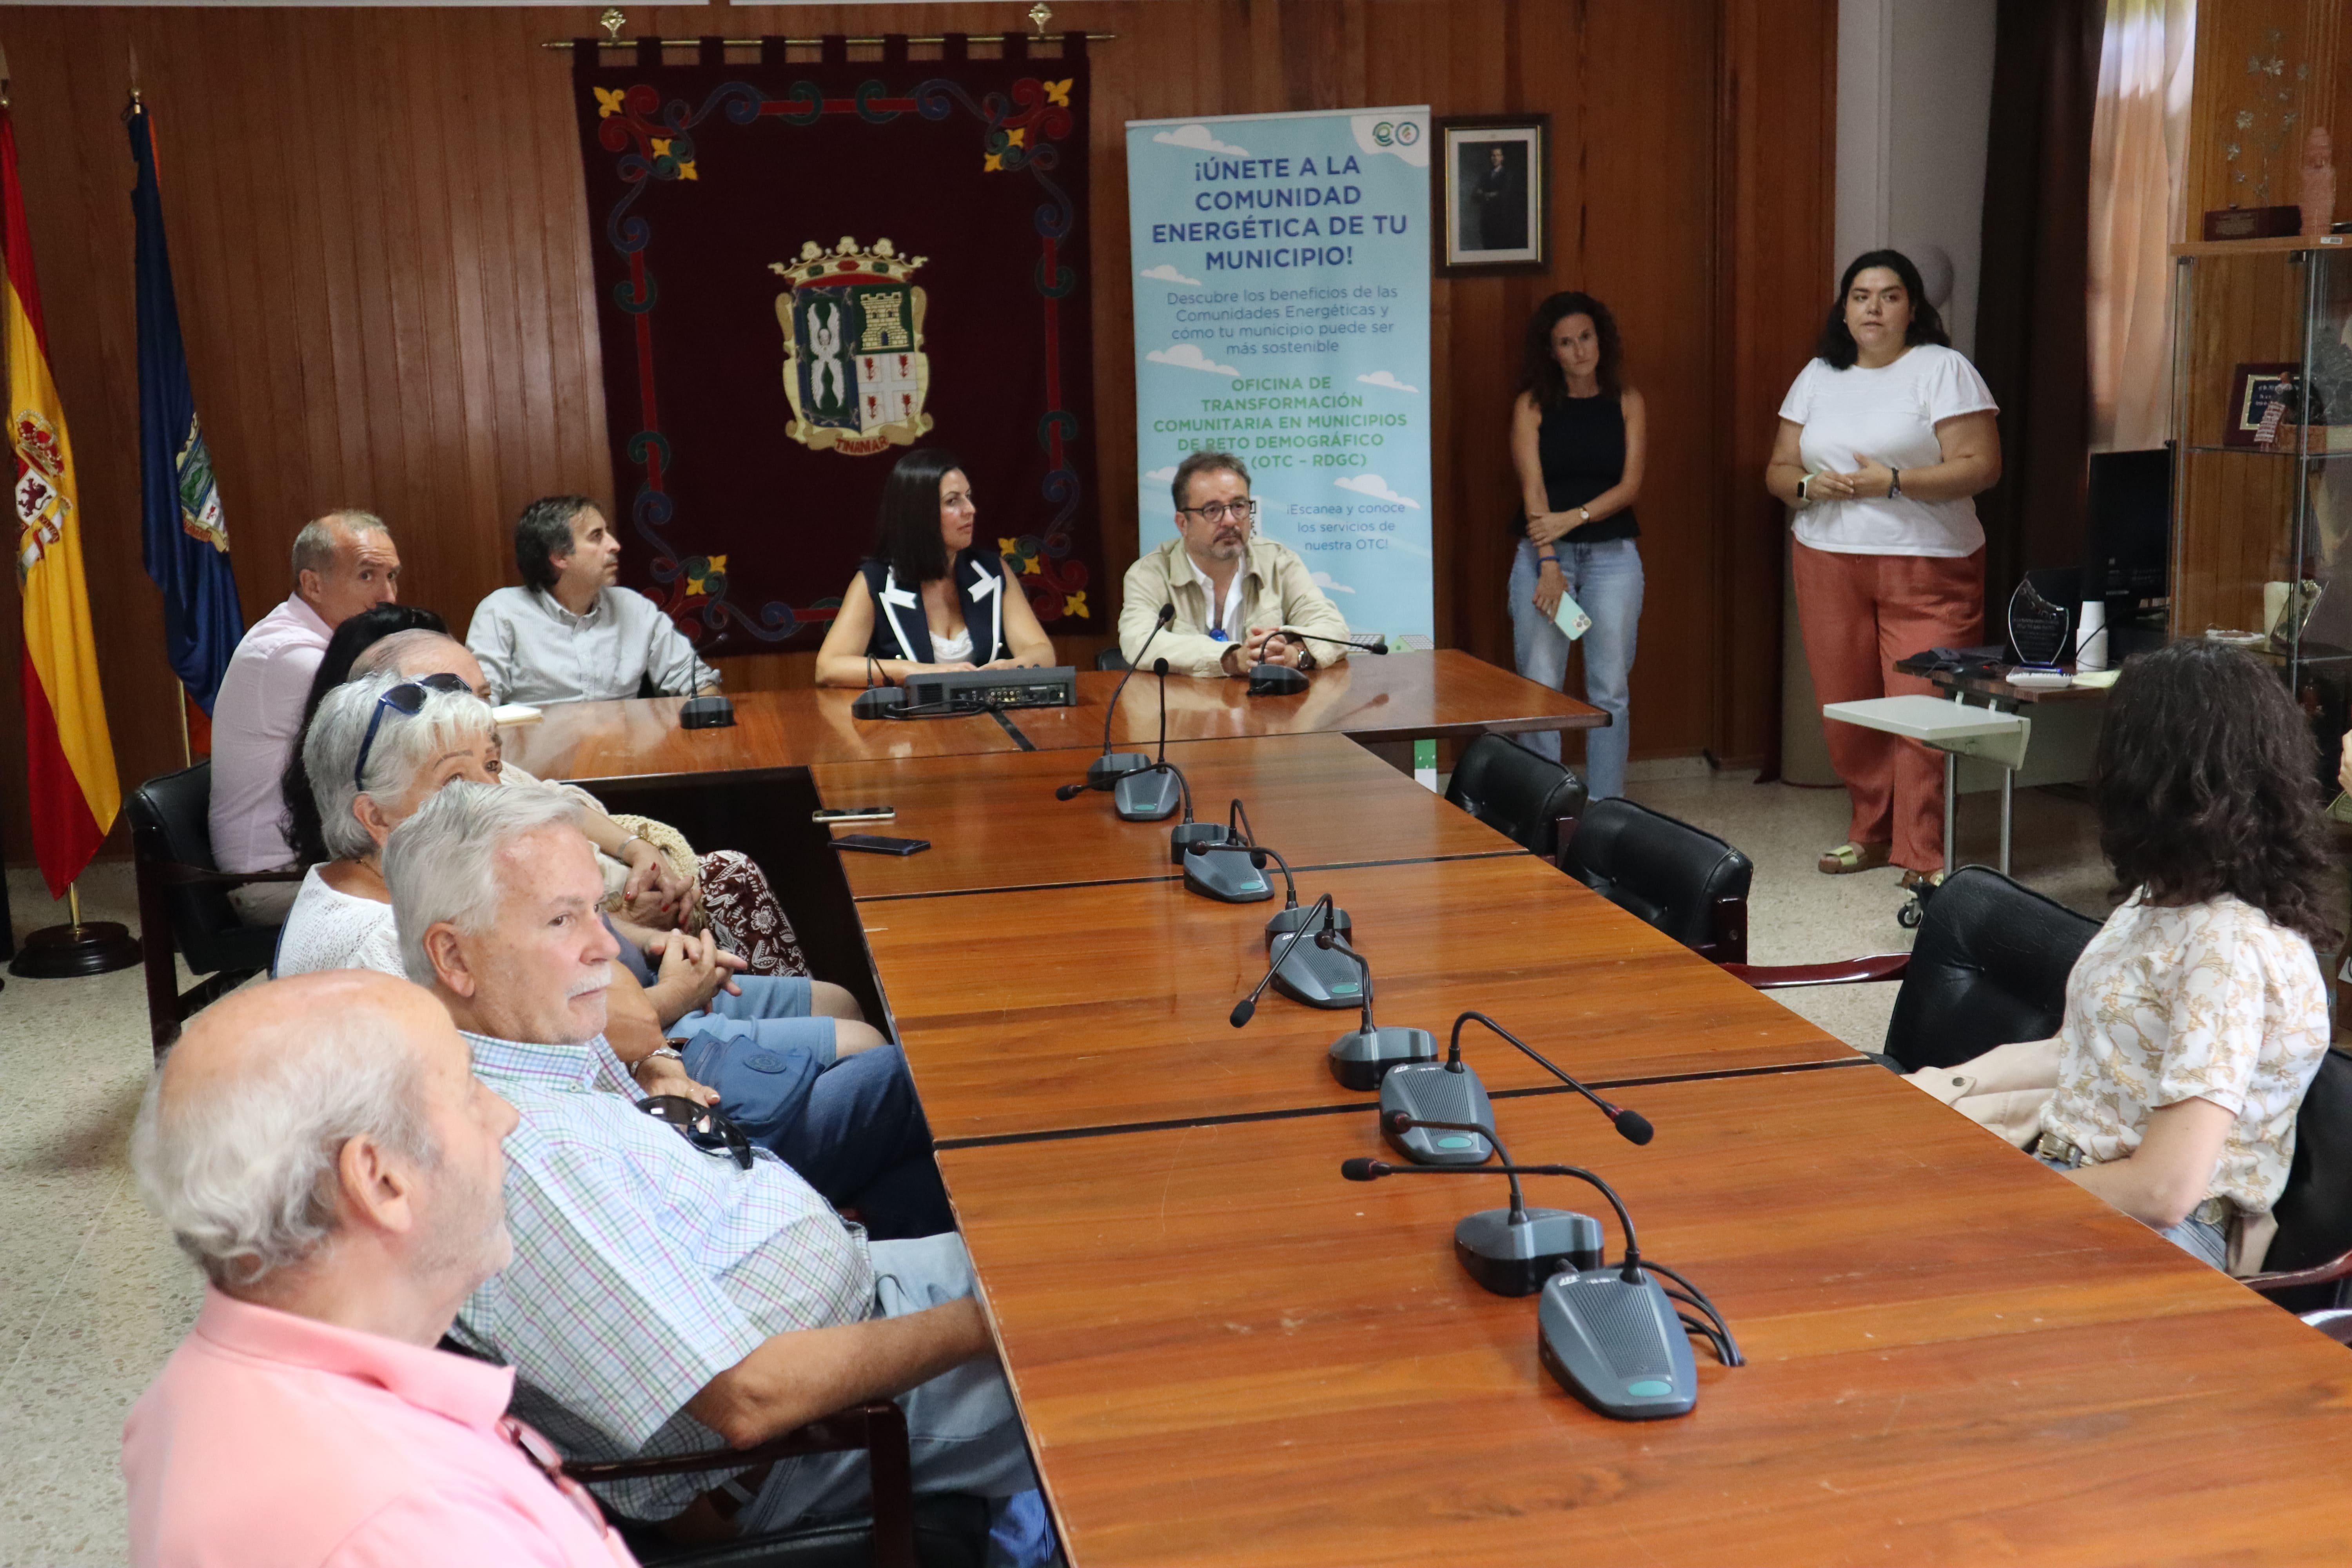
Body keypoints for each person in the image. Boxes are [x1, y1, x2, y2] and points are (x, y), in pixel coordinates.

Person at [382, 784, 1047, 1553]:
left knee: (1091, 1253)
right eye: (563, 919)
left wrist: (659, 1063)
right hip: (823, 1429)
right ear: (454, 956)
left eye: (596, 911)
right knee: (1133, 1335)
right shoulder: (518, 1162)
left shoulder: (531, 1043)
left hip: (861, 1306)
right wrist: (995, 1315)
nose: (606, 947)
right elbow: (750, 1399)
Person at [121, 970, 637, 1567]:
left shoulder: (186, 1392)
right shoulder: (421, 1527)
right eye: (468, 1089)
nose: (504, 1116)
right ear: (381, 1179)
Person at [2030, 641, 2334, 1270]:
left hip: (2146, 1231)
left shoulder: (2228, 946)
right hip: (2076, 1178)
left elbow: (2165, 1191)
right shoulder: (2162, 898)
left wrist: (2001, 1202)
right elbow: (2083, 1055)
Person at [287, 626, 805, 975]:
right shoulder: (387, 931)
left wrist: (635, 855)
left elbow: (563, 808)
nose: (490, 791)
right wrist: (662, 1024)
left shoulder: (463, 802)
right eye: (448, 700)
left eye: (481, 696)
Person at [1766, 249, 2002, 888]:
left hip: (1929, 564)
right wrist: (1810, 486)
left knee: (1923, 710)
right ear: (1844, 310)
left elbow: (1982, 465)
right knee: (1847, 708)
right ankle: (1869, 832)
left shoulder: (1944, 369)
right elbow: (1779, 470)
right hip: (1828, 560)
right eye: (1861, 296)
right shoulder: (1818, 375)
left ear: (1913, 309)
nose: (1873, 308)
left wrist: (1894, 481)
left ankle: (1924, 852)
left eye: (1890, 296)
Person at [209, 510, 402, 919]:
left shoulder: (331, 645)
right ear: (313, 585)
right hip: (276, 879)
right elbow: (398, 741)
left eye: (392, 576)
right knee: (457, 897)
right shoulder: (290, 655)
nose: (387, 595)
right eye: (367, 575)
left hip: (325, 858)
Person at [1506, 292, 1646, 798]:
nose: (1580, 350)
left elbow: (1630, 487)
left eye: (1586, 338)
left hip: (1612, 558)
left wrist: (1576, 517)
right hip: (1545, 559)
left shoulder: (1627, 400)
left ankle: (1606, 807)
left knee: (1610, 688)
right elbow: (1533, 491)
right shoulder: (1532, 405)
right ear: (1552, 352)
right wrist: (1549, 564)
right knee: (1541, 687)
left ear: (1601, 339)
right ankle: (1545, 805)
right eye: (1566, 343)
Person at [813, 448, 1056, 687]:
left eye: (968, 497)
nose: (970, 510)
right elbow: (828, 668)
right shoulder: (876, 580)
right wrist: (919, 672)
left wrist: (1011, 668)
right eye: (953, 501)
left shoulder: (991, 570)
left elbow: (1043, 652)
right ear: (918, 512)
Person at [1118, 450, 1354, 677]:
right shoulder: (1149, 574)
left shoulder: (1278, 562)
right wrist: (1231, 659)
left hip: (1266, 704)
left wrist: (1294, 654)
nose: (1231, 520)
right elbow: (1138, 642)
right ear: (1183, 524)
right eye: (1213, 510)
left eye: (1239, 506)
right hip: (1183, 704)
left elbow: (1333, 627)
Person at [467, 495, 719, 706]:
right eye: (597, 537)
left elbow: (696, 681)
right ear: (559, 556)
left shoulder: (634, 608)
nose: (615, 545)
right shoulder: (501, 613)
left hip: (628, 748)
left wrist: (707, 711)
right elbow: (478, 704)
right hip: (538, 750)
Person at [1469, 143, 1526, 251]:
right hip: (1487, 220)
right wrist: (1490, 194)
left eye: (1498, 155)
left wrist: (1485, 194)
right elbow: (1475, 196)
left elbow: (1504, 194)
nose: (1495, 158)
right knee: (1488, 247)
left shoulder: (1507, 175)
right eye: (1493, 156)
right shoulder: (1485, 176)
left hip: (1502, 219)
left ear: (1502, 158)